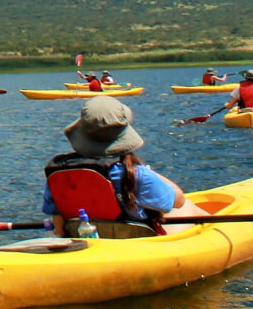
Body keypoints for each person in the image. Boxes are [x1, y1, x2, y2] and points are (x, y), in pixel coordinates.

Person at [42, 97, 211, 237]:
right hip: (134, 243)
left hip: (83, 237)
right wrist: (149, 172)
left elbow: (57, 218)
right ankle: (215, 234)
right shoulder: (137, 174)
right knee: (189, 204)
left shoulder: (59, 172)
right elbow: (178, 200)